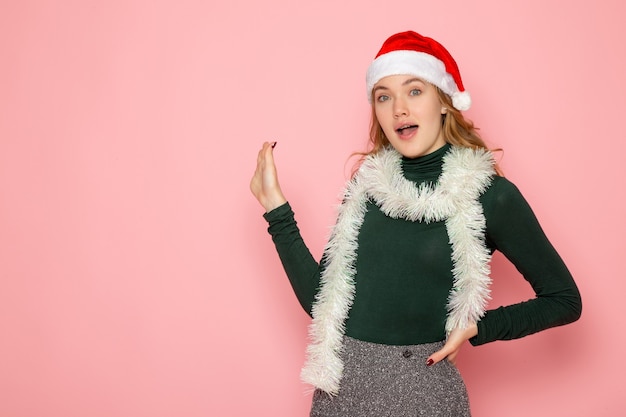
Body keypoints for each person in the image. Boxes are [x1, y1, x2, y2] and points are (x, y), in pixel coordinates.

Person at [250, 31, 581, 417]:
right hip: (340, 394)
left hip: (425, 395)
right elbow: (320, 302)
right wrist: (276, 208)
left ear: (443, 100)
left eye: (415, 91)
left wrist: (479, 326)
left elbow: (564, 300)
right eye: (384, 96)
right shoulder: (366, 187)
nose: (399, 110)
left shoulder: (491, 195)